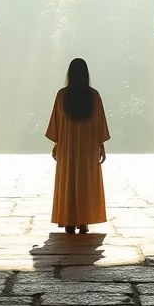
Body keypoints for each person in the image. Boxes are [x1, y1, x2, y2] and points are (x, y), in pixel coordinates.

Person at [46, 58, 110, 234]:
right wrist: (101, 145)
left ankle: (68, 221)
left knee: (68, 181)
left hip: (67, 146)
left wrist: (56, 144)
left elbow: (56, 123)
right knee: (85, 182)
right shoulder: (93, 95)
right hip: (88, 147)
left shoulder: (62, 95)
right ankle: (84, 221)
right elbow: (99, 123)